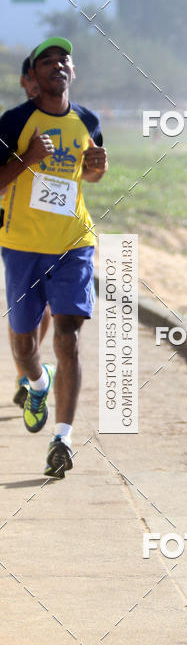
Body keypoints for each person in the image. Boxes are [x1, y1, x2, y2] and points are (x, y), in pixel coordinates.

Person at [0, 36, 107, 478]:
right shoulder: (14, 121)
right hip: (22, 246)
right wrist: (27, 159)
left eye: (64, 59)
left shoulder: (88, 120)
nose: (58, 65)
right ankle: (37, 382)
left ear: (72, 72)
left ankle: (61, 439)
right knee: (24, 347)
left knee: (68, 338)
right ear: (33, 77)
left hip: (73, 243)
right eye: (47, 61)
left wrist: (98, 166)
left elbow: (91, 174)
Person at [10, 56, 51, 408]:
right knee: (21, 306)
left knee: (46, 306)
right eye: (34, 79)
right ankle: (26, 368)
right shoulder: (13, 123)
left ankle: (29, 370)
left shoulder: (69, 121)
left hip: (54, 230)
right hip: (15, 230)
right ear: (25, 81)